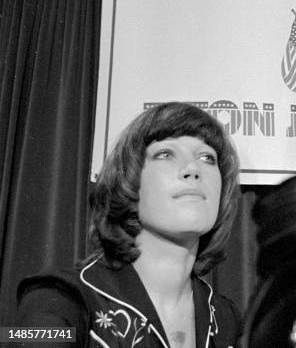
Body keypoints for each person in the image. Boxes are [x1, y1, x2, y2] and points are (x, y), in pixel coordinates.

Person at [16, 102, 241, 348]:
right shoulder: (56, 297)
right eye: (165, 154)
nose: (193, 169)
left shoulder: (226, 318)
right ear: (130, 181)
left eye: (207, 157)